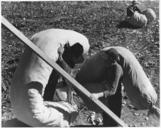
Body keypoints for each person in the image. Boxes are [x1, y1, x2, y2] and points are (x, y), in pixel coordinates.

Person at [10, 29, 90, 127]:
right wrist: (60, 58)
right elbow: (69, 79)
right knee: (72, 115)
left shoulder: (41, 43)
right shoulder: (57, 55)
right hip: (37, 115)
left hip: (18, 109)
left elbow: (67, 76)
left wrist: (61, 59)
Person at [75, 46, 158, 126]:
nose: (106, 62)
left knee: (111, 118)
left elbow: (112, 91)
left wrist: (97, 95)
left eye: (107, 60)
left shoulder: (116, 69)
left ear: (112, 60)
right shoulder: (108, 66)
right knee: (108, 115)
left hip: (112, 97)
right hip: (110, 96)